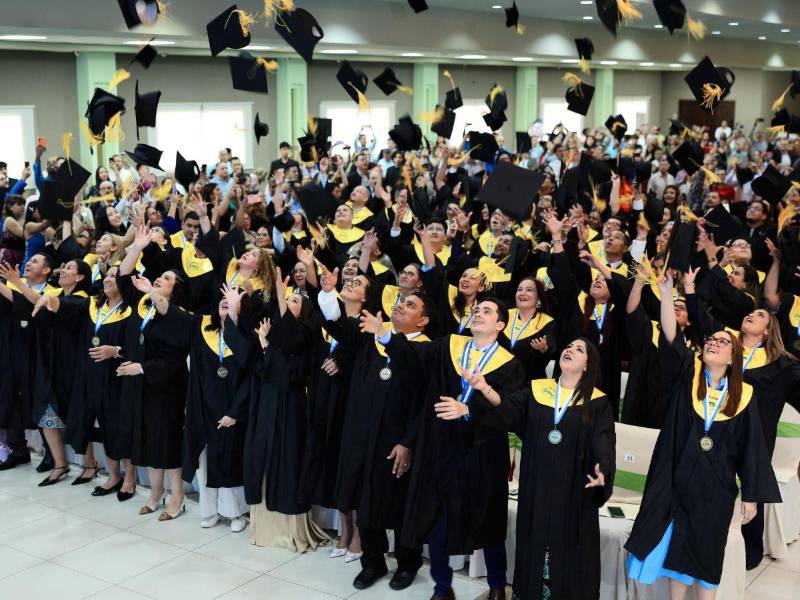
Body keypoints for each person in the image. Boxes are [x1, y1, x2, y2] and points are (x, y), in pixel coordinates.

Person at [625, 271, 781, 599]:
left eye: (724, 342)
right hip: (676, 481)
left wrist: (751, 494)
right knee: (675, 553)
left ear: (733, 358)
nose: (714, 342)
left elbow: (751, 448)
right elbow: (670, 337)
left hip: (716, 489)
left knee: (707, 557)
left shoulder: (745, 397)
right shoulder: (686, 378)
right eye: (712, 340)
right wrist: (667, 294)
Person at [436, 337, 615, 599]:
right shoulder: (537, 390)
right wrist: (483, 390)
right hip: (536, 487)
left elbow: (604, 441)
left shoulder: (598, 402)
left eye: (579, 350)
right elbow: (506, 412)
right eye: (568, 346)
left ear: (588, 366)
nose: (569, 350)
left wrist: (603, 471)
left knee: (570, 552)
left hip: (573, 492)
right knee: (533, 544)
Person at [401, 298, 525, 600]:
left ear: (500, 324)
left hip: (483, 454)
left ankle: (497, 586)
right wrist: (385, 337)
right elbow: (415, 353)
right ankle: (443, 589)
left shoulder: (510, 364)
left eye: (487, 311)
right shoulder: (450, 346)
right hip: (443, 449)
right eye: (477, 309)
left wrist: (467, 410)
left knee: (490, 522)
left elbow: (511, 412)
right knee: (438, 520)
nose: (478, 313)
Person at [318, 266, 433, 591]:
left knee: (397, 504)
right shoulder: (371, 340)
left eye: (410, 306)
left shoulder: (426, 350)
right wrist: (329, 294)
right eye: (400, 302)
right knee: (363, 498)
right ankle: (373, 562)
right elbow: (341, 329)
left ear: (423, 321)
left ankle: (408, 563)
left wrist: (408, 442)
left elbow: (422, 403)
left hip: (395, 442)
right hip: (361, 436)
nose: (401, 306)